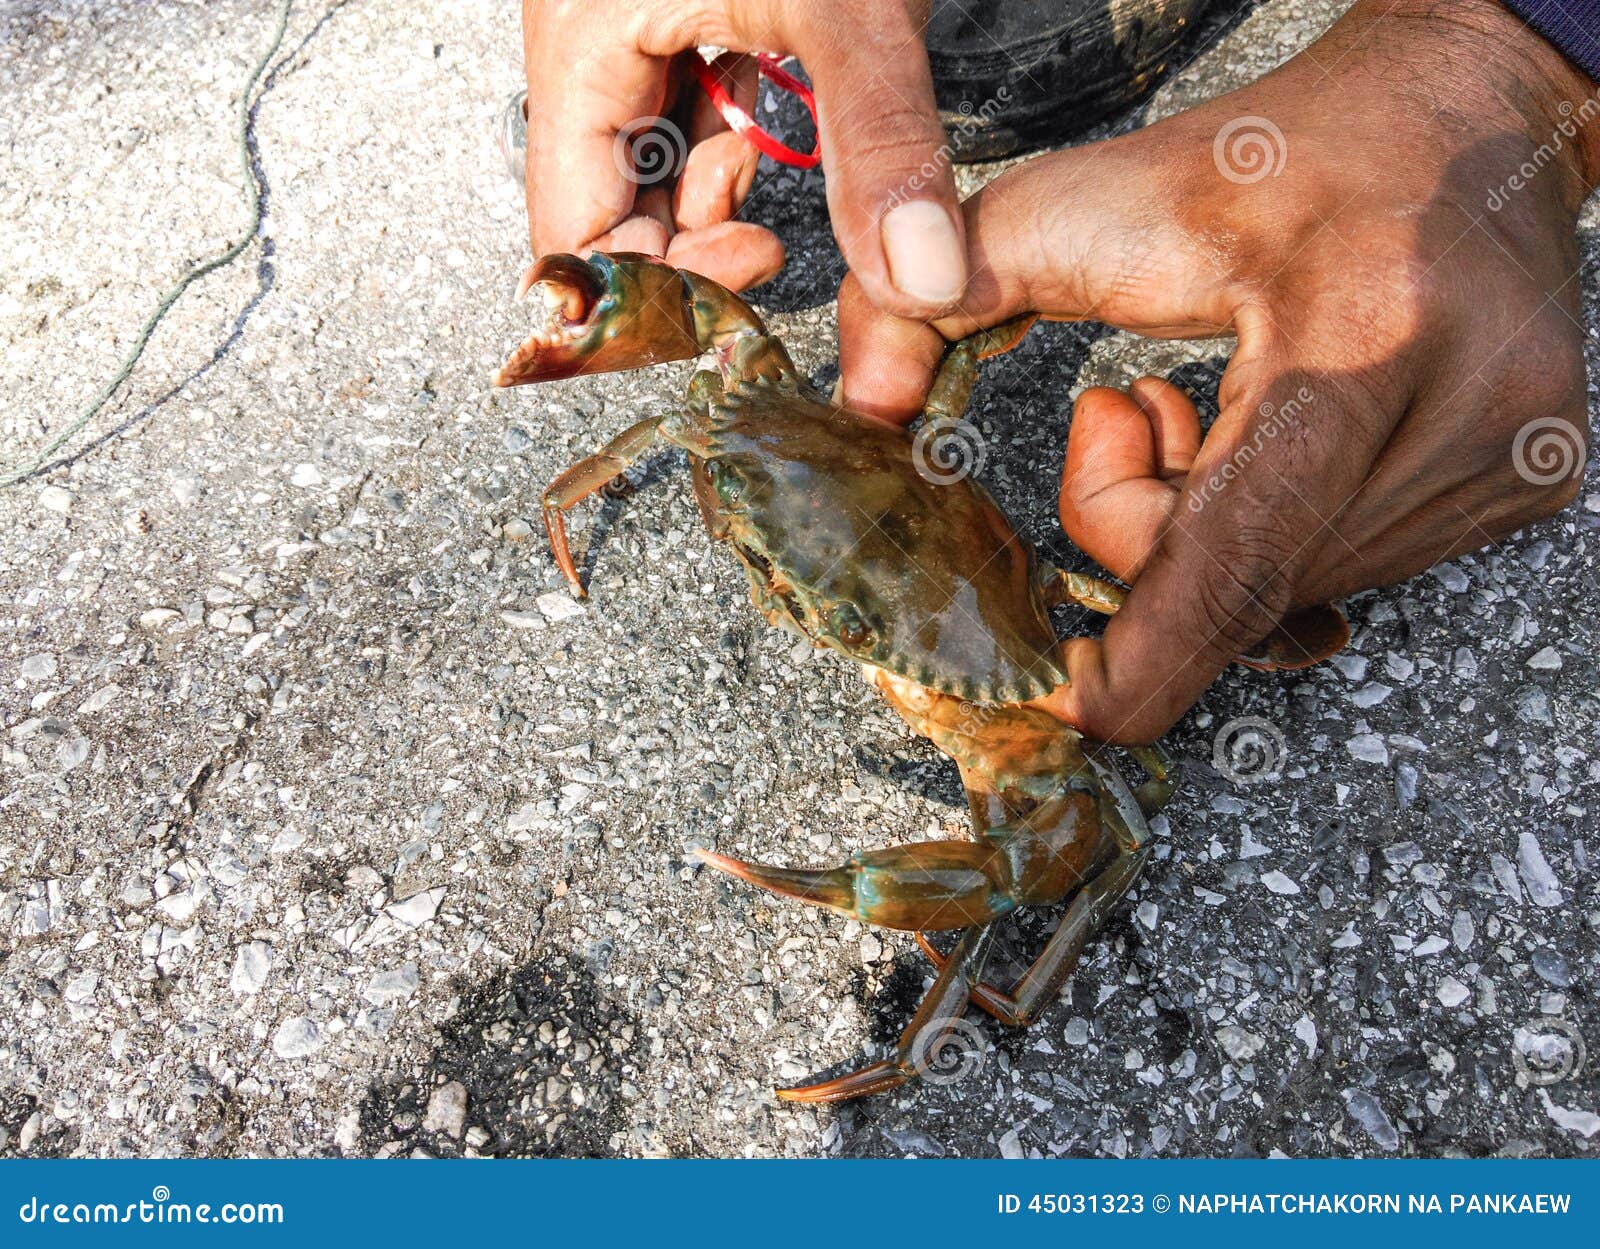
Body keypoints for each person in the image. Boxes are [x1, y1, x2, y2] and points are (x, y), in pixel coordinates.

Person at [517, 0, 1596, 742]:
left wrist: (1516, 60)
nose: (787, 601)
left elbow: (1076, 830)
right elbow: (707, 311)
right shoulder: (740, 392)